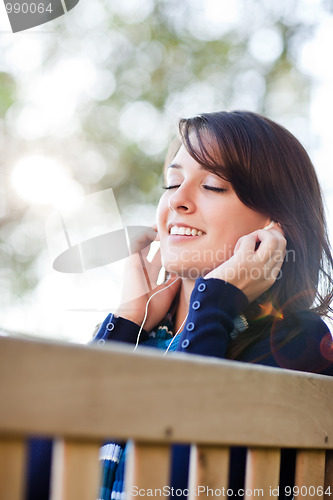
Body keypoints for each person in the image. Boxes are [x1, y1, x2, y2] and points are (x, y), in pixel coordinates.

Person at [26, 110, 333, 499]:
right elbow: (30, 480)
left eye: (213, 186)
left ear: (273, 228)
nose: (177, 202)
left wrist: (216, 303)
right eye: (172, 183)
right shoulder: (137, 340)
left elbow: (181, 484)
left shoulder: (298, 343)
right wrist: (125, 324)